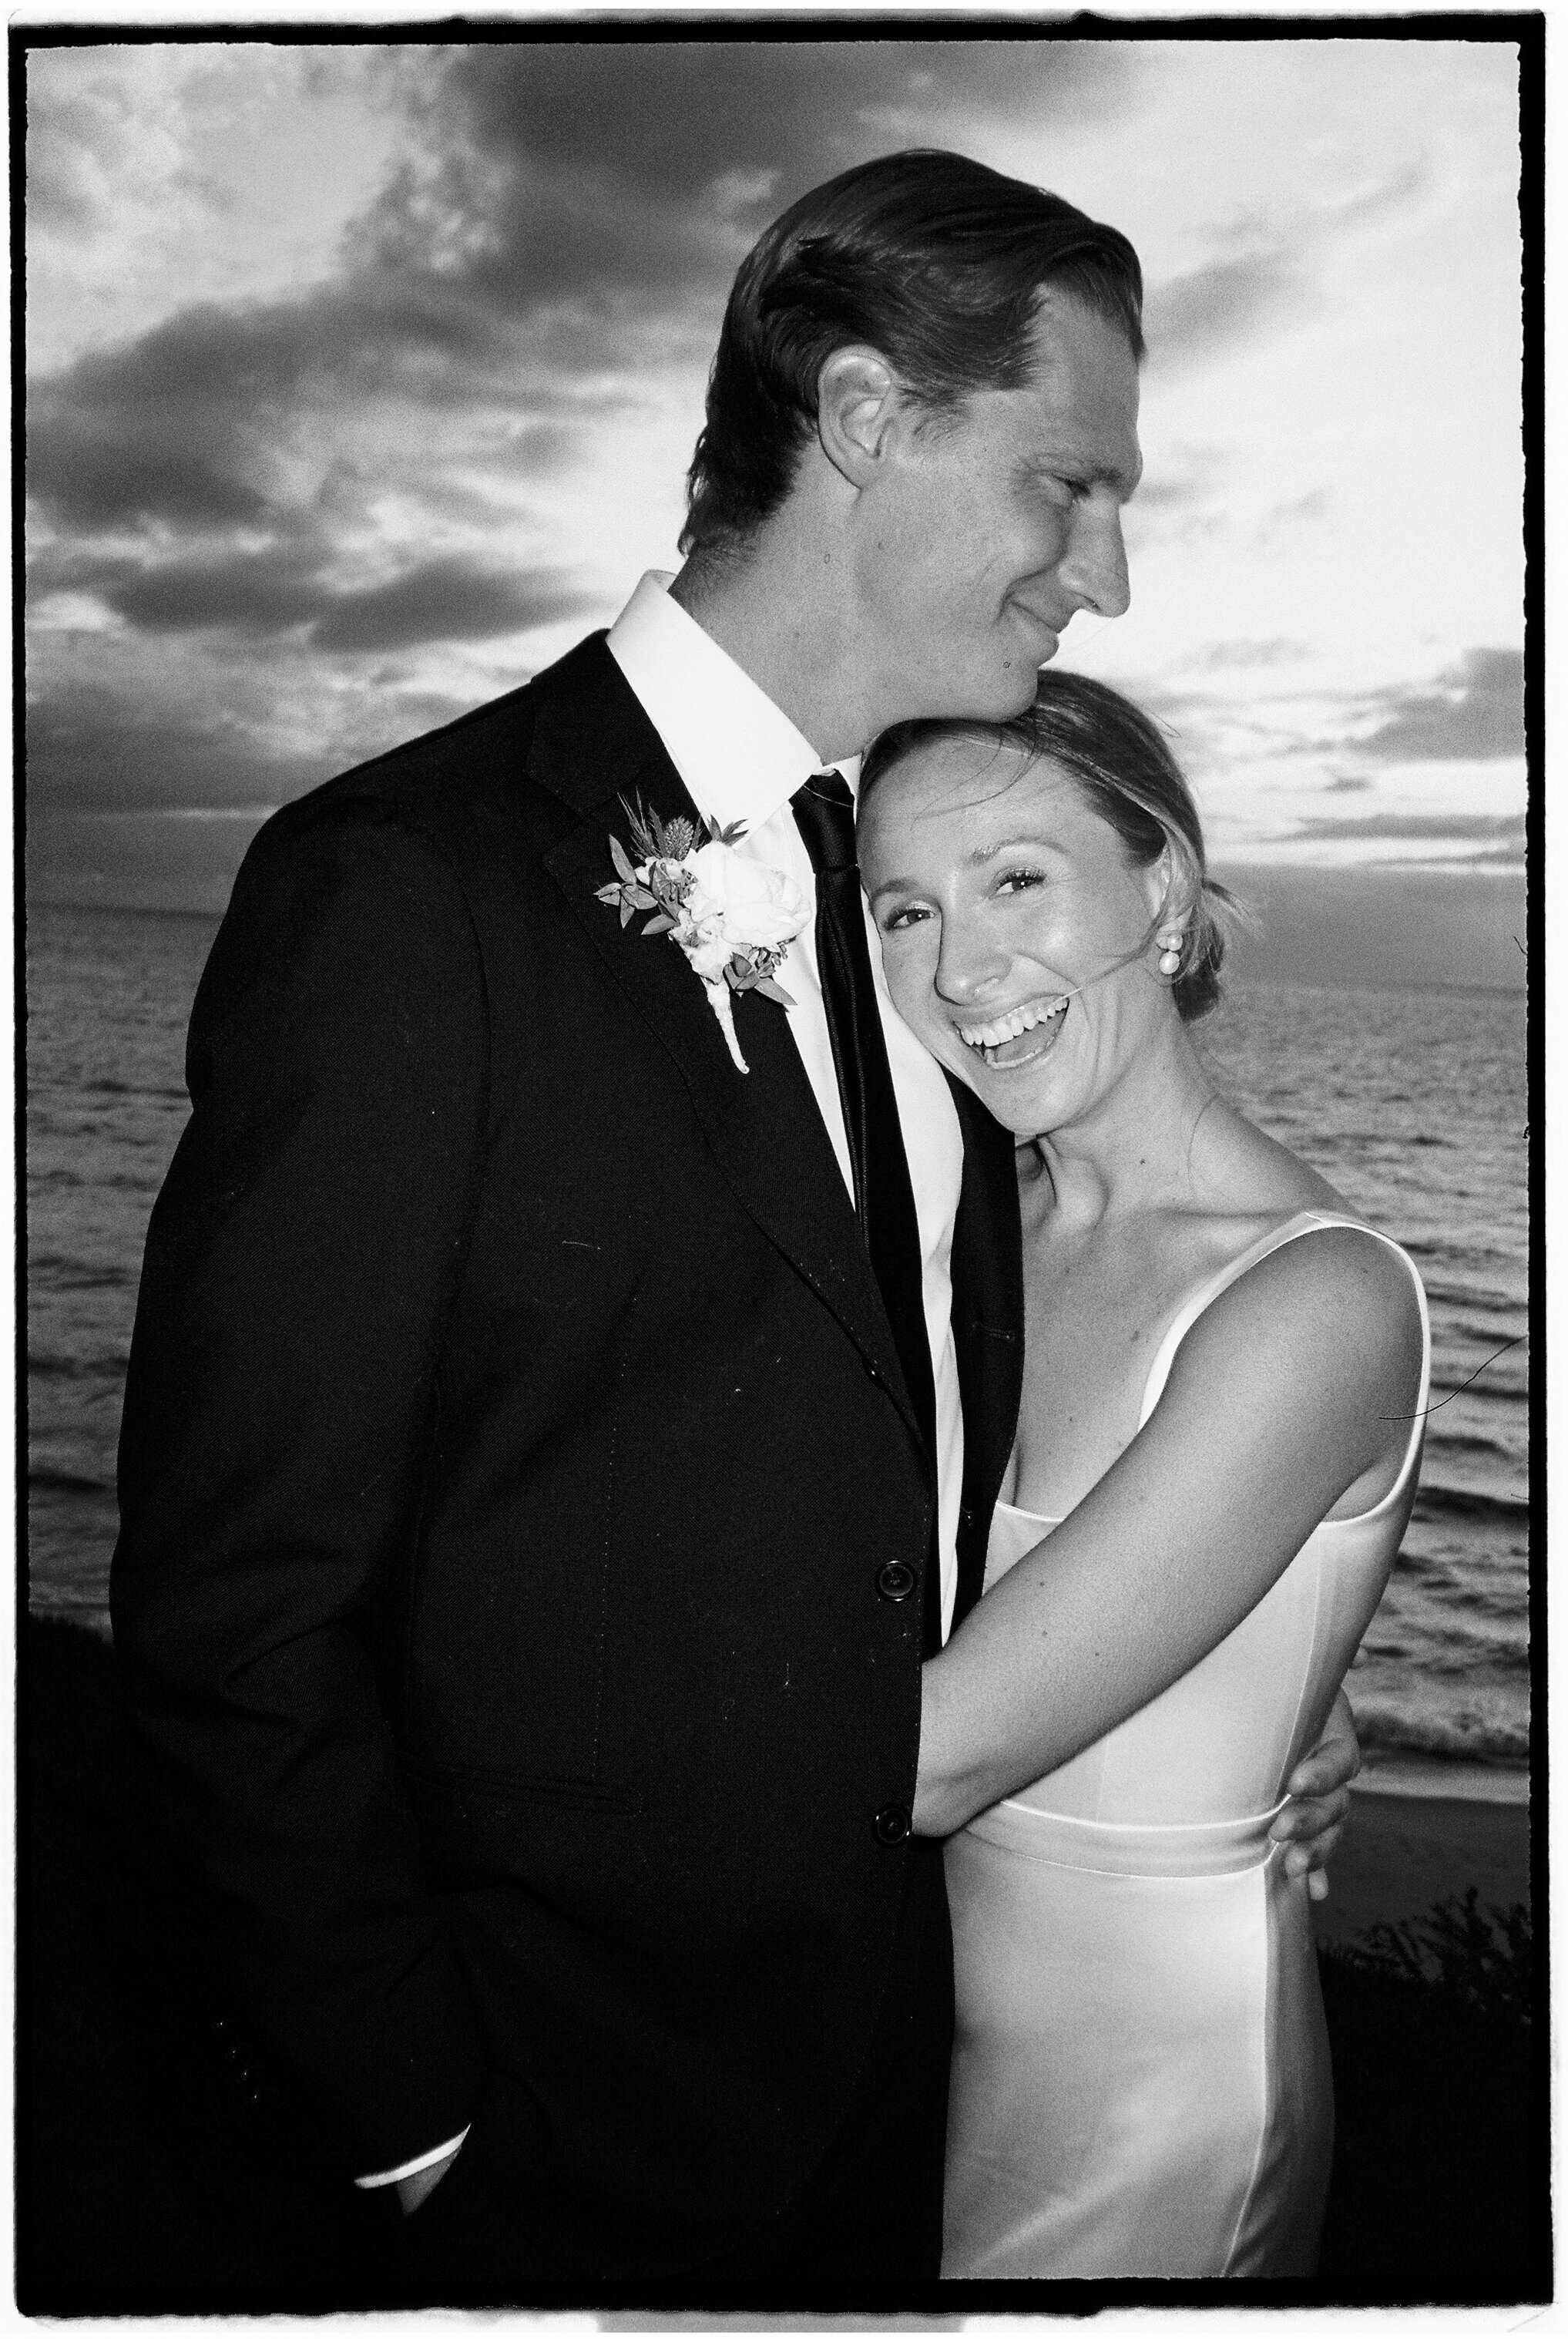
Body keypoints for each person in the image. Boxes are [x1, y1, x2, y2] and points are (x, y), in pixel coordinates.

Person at [109, 150, 1357, 2304]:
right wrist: (413, 2126)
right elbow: (238, 1607)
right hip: (550, 2141)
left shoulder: (921, 928)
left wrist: (1237, 1707)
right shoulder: (412, 888)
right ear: (865, 417)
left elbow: (923, 1442)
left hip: (899, 2111)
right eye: (1069, 483)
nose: (1109, 573)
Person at [853, 671, 1429, 2279]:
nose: (961, 969)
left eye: (1015, 879)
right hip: (902, 2051)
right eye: (902, 912)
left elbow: (929, 1759)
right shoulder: (960, 1250)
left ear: (1161, 889)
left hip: (1149, 2114)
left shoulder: (1311, 1300)